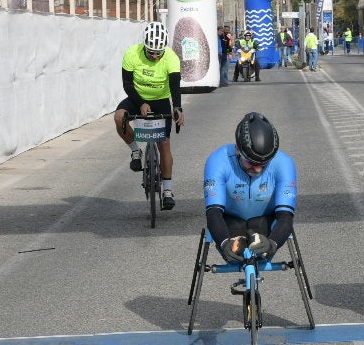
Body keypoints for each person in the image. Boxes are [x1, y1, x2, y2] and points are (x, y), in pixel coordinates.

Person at [203, 113, 297, 265]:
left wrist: (273, 243)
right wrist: (223, 243)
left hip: (266, 223)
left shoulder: (284, 163)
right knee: (233, 242)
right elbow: (213, 213)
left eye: (265, 163)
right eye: (252, 163)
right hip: (230, 223)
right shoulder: (218, 160)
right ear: (238, 150)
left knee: (266, 233)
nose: (258, 169)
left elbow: (286, 217)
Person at [116, 20, 186, 210]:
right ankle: (135, 151)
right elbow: (127, 85)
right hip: (136, 97)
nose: (155, 56)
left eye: (158, 53)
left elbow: (174, 86)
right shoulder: (132, 53)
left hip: (161, 99)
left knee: (164, 144)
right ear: (145, 46)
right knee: (119, 117)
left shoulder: (171, 57)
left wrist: (177, 107)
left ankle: (168, 190)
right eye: (151, 52)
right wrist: (141, 103)